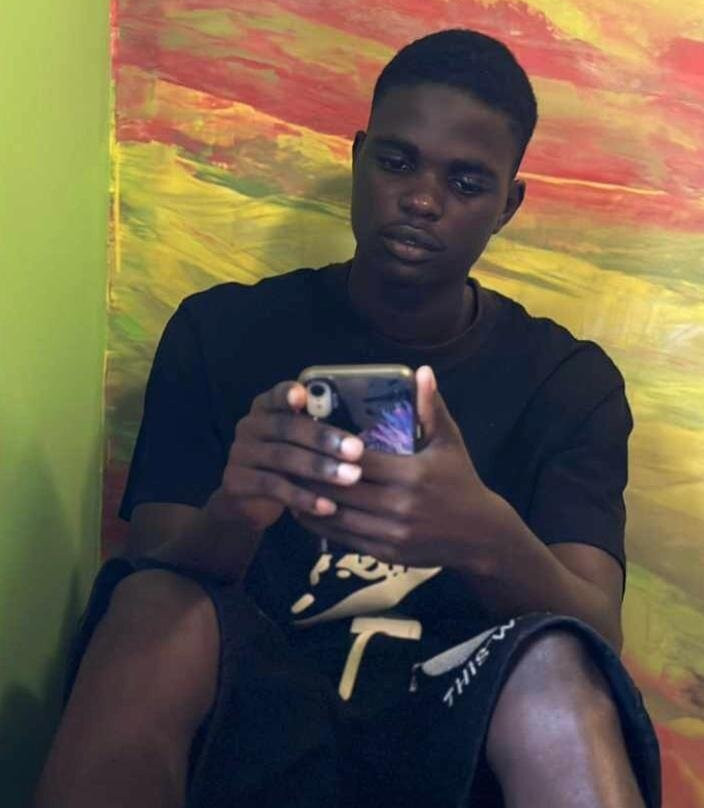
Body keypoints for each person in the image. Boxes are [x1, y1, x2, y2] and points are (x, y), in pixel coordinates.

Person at [34, 29, 661, 808]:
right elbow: (157, 561)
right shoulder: (222, 332)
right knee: (148, 604)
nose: (422, 199)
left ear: (507, 204)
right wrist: (237, 510)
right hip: (251, 688)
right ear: (359, 157)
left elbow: (597, 626)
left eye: (466, 182)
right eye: (396, 162)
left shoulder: (567, 382)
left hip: (455, 703)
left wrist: (482, 534)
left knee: (558, 666)